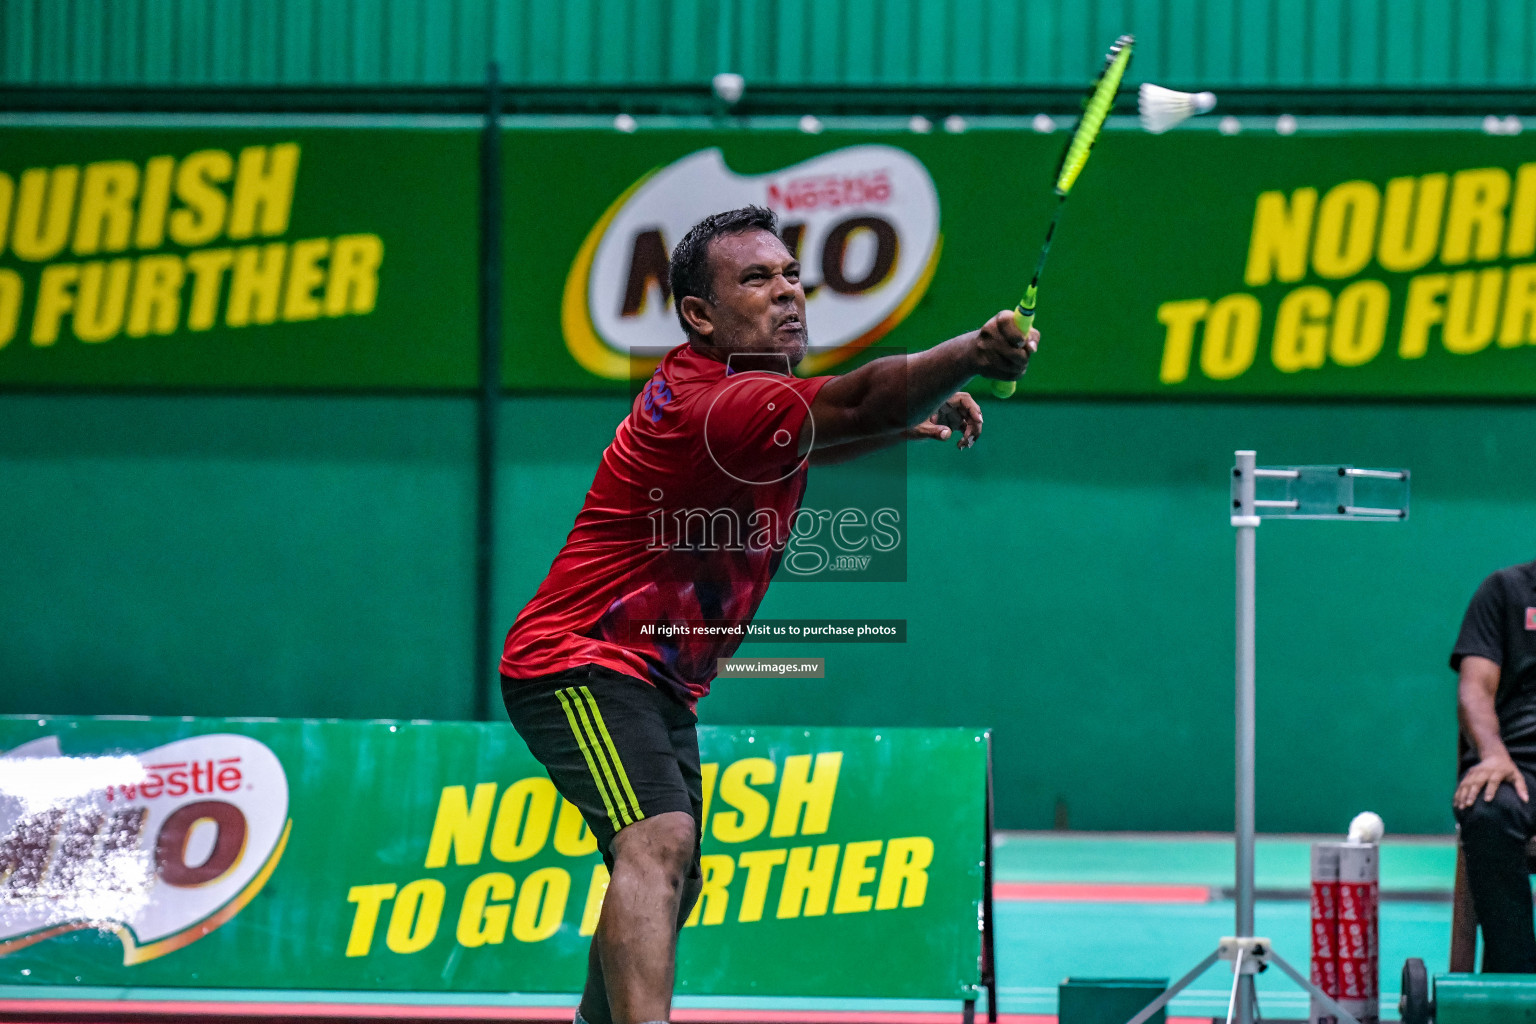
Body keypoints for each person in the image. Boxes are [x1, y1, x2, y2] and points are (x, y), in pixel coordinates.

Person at [499, 205, 1036, 1024]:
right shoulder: (712, 403)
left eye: (791, 275)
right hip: (576, 660)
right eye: (757, 279)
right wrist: (967, 353)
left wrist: (904, 421)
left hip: (654, 678)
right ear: (699, 315)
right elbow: (855, 402)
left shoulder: (738, 395)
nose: (787, 292)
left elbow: (822, 430)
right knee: (658, 842)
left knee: (676, 874)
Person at [1452, 556, 1536, 972]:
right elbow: (1475, 687)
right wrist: (1492, 752)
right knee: (1487, 809)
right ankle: (1516, 980)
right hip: (1519, 763)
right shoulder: (1505, 591)